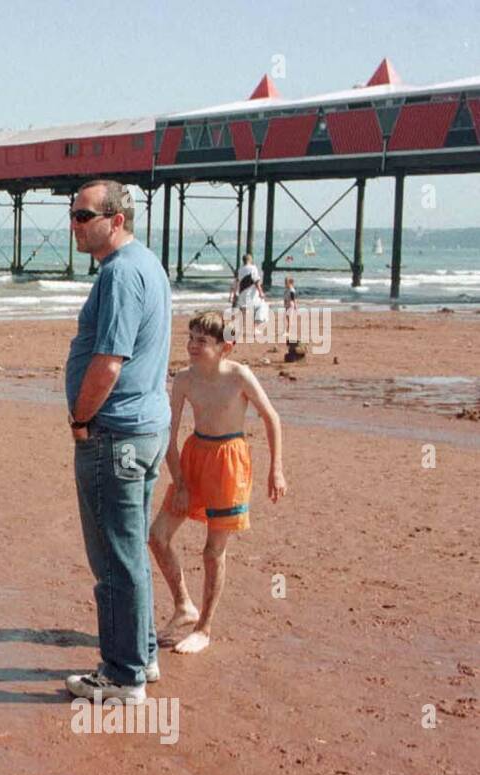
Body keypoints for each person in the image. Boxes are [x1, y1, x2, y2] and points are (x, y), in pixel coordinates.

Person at [63, 179, 172, 704]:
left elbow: (108, 362)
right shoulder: (141, 264)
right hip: (144, 428)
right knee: (129, 551)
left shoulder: (122, 275)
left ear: (117, 220)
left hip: (117, 432)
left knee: (113, 558)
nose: (75, 225)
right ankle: (143, 655)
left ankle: (122, 675)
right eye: (74, 215)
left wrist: (81, 419)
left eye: (85, 216)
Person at [148, 310, 287, 654]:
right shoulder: (183, 379)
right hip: (195, 457)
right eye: (190, 338)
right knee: (158, 536)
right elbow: (169, 433)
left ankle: (204, 629)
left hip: (229, 461)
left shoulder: (240, 376)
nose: (193, 346)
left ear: (226, 346)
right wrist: (179, 481)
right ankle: (184, 605)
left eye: (203, 341)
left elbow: (271, 418)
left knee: (213, 550)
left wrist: (276, 469)